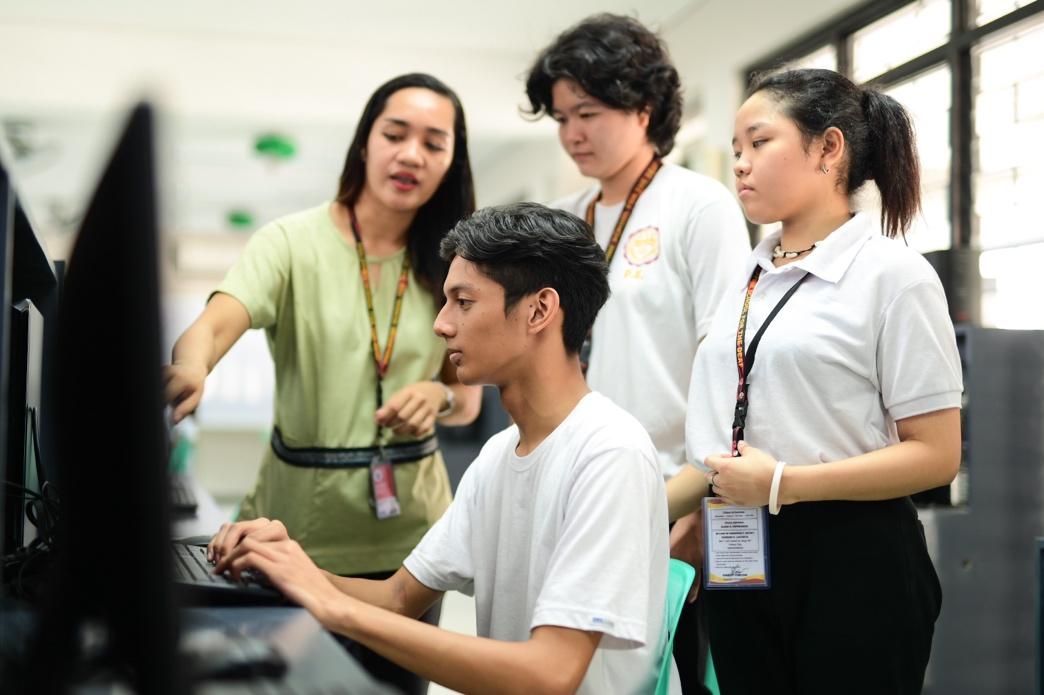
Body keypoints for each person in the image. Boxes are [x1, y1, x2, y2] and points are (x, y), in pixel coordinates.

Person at [207, 203, 673, 695]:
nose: (442, 324)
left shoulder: (610, 453)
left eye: (463, 302)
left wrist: (334, 607)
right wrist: (288, 565)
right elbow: (398, 596)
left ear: (539, 310)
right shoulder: (498, 456)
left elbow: (550, 674)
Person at [163, 73, 483, 694]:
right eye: (395, 133)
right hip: (290, 534)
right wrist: (194, 364)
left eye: (434, 143)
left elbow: (466, 401)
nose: (411, 154)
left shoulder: (454, 261)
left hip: (409, 544)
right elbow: (216, 323)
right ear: (365, 142)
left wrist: (437, 394)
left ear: (451, 161)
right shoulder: (290, 241)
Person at [667, 68, 963, 695]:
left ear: (829, 149)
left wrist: (782, 484)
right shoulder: (744, 279)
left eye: (759, 142)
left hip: (852, 552)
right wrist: (656, 507)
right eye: (736, 149)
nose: (740, 164)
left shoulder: (893, 276)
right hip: (738, 545)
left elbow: (937, 457)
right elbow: (730, 428)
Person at [524, 13, 750, 693]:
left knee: (663, 675)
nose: (571, 133)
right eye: (561, 116)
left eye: (587, 112)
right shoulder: (564, 218)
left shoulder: (698, 206)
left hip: (670, 493)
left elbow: (734, 367)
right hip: (576, 490)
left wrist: (705, 507)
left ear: (644, 106)